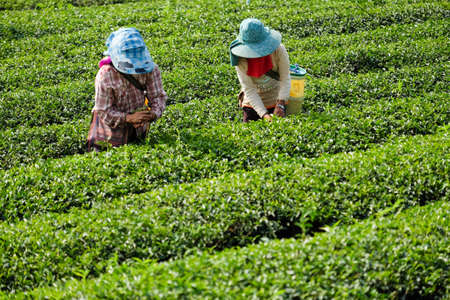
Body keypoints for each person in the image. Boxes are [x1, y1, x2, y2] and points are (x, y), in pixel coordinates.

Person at [87, 27, 167, 151]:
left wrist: (151, 115)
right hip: (108, 129)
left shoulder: (150, 69)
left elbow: (158, 97)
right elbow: (103, 110)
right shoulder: (106, 75)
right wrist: (129, 118)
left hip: (138, 128)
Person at [229, 18, 291, 122]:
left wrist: (280, 104)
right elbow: (249, 89)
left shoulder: (279, 50)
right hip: (252, 101)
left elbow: (285, 78)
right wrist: (264, 115)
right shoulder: (240, 58)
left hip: (277, 96)